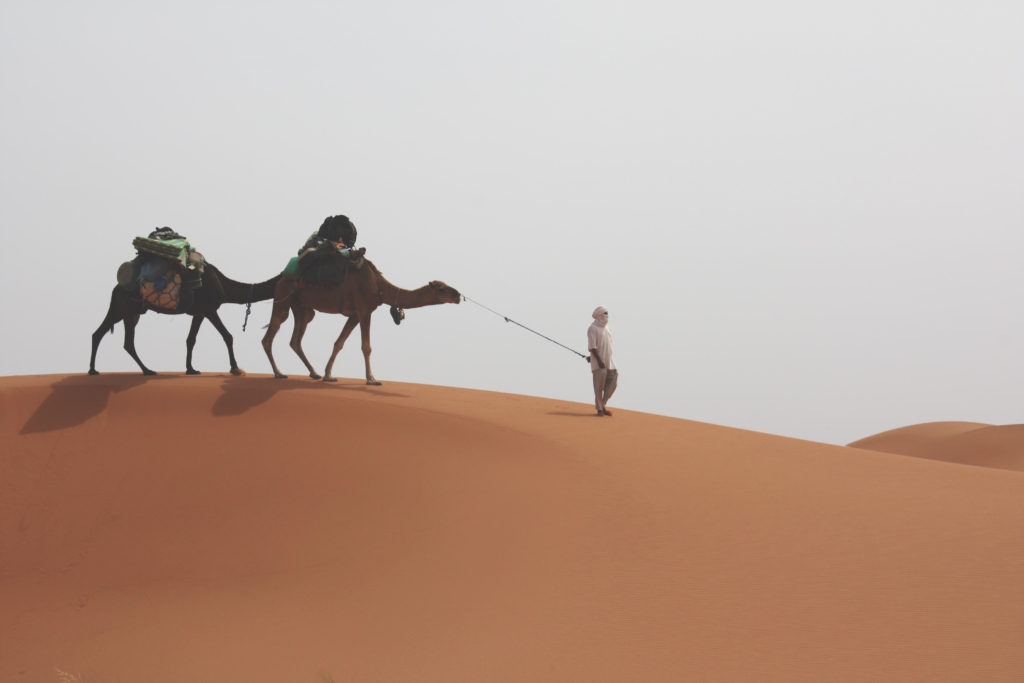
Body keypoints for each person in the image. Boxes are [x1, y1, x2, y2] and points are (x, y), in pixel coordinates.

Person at [587, 306, 618, 416]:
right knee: (599, 387)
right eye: (605, 313)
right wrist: (598, 360)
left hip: (609, 361)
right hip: (599, 363)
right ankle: (600, 409)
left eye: (607, 313)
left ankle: (603, 404)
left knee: (613, 382)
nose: (606, 316)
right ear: (599, 315)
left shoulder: (607, 328)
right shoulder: (592, 328)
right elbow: (592, 347)